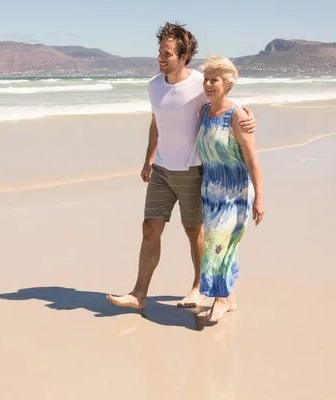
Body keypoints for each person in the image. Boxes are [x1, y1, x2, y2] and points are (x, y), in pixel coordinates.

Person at [106, 23, 257, 310]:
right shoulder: (153, 85)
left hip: (192, 170)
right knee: (150, 228)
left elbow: (224, 104)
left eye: (167, 53)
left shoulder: (200, 84)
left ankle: (199, 288)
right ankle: (139, 294)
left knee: (194, 232)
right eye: (160, 52)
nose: (161, 58)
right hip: (162, 169)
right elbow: (156, 122)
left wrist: (249, 116)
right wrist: (149, 158)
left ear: (183, 56)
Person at [196, 54, 264, 323]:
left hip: (234, 192)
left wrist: (260, 197)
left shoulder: (238, 115)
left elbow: (252, 159)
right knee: (225, 245)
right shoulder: (203, 111)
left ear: (228, 83)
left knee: (217, 244)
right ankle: (230, 298)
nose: (208, 84)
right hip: (210, 191)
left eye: (214, 80)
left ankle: (221, 300)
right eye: (206, 79)